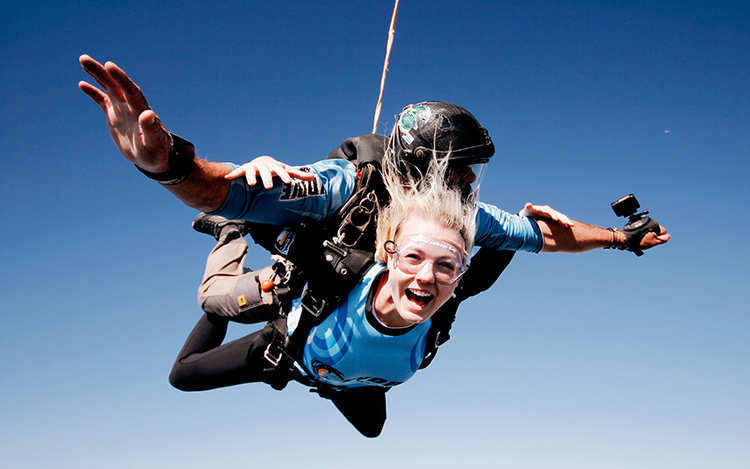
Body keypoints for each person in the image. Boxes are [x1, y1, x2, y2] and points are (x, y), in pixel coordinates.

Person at [169, 159, 481, 437]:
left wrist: (522, 221)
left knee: (372, 428)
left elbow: (500, 246)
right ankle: (228, 233)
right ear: (390, 255)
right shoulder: (345, 270)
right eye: (413, 258)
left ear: (459, 274)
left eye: (446, 266)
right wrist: (258, 179)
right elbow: (280, 225)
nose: (427, 277)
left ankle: (328, 373)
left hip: (335, 377)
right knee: (189, 358)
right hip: (288, 330)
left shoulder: (446, 294)